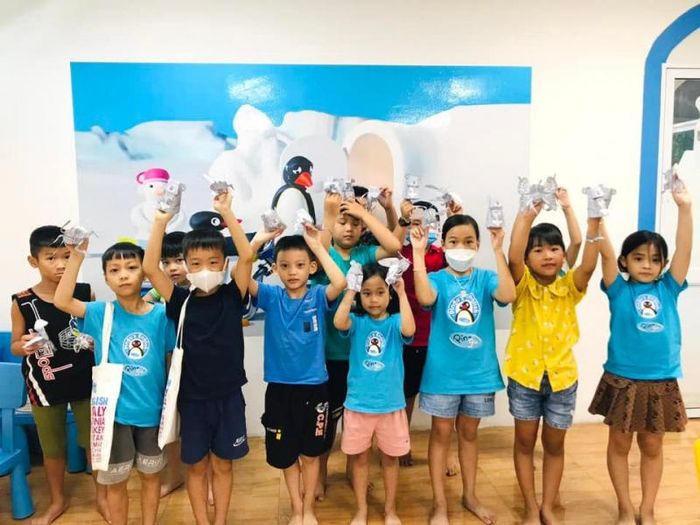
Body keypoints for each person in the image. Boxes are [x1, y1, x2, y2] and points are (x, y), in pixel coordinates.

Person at [143, 188, 254, 525]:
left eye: (213, 262)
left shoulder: (233, 295)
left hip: (228, 397)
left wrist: (227, 212)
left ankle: (219, 521)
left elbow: (247, 256)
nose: (204, 269)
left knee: (223, 464)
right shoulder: (179, 300)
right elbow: (150, 267)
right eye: (195, 263)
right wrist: (160, 221)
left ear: (224, 264)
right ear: (186, 266)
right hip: (191, 400)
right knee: (196, 466)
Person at [588, 185, 692, 525]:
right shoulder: (618, 289)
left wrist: (685, 208)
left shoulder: (669, 287)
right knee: (619, 445)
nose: (647, 265)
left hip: (661, 381)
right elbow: (605, 255)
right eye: (638, 258)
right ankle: (624, 506)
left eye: (655, 259)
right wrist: (598, 218)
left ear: (663, 264)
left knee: (652, 447)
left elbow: (684, 250)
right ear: (625, 261)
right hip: (622, 379)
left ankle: (647, 509)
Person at [55, 240, 174, 525]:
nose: (123, 275)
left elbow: (170, 361)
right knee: (116, 483)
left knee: (151, 477)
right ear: (106, 278)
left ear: (145, 273)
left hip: (152, 414)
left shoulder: (161, 316)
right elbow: (62, 301)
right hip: (114, 418)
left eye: (131, 267)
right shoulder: (100, 313)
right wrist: (76, 257)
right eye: (114, 270)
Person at [411, 214, 516, 525]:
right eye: (454, 241)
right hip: (442, 376)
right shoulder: (437, 279)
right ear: (443, 245)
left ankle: (470, 495)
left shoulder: (485, 278)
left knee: (469, 434)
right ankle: (439, 504)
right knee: (441, 434)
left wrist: (498, 249)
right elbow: (424, 297)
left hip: (479, 375)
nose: (461, 247)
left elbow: (508, 295)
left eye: (469, 241)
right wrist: (418, 253)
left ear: (477, 244)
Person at [505, 202, 602, 525]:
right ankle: (531, 507)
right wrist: (527, 215)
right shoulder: (522, 286)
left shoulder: (569, 286)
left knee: (554, 445)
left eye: (554, 249)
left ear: (562, 254)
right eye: (538, 250)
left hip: (562, 380)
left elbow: (589, 264)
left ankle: (548, 505)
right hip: (525, 378)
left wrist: (593, 224)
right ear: (528, 258)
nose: (547, 255)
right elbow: (513, 257)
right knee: (524, 443)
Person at [9, 225, 109, 525]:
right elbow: (14, 345)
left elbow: (97, 331)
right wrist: (24, 345)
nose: (60, 264)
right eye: (50, 257)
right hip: (44, 384)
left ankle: (103, 498)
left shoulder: (84, 292)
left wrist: (94, 341)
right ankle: (57, 501)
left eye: (66, 256)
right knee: (52, 448)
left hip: (85, 379)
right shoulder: (22, 301)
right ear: (34, 261)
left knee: (94, 443)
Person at [248, 225, 345, 525]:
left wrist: (317, 247)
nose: (292, 272)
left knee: (311, 454)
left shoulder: (318, 295)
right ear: (276, 268)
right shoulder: (271, 296)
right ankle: (297, 508)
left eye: (300, 265)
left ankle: (309, 509)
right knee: (286, 456)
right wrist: (257, 243)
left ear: (311, 267)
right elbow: (241, 280)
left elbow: (340, 282)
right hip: (280, 390)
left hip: (315, 389)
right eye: (285, 265)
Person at [316, 193, 402, 499]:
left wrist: (364, 214)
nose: (349, 228)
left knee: (356, 424)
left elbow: (394, 246)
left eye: (355, 224)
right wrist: (330, 214)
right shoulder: (325, 250)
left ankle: (354, 473)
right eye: (343, 222)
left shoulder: (366, 254)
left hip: (362, 358)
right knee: (327, 422)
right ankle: (320, 474)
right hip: (327, 354)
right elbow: (317, 245)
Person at [333, 263, 415, 525]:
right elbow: (338, 321)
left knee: (390, 460)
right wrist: (350, 290)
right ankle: (361, 510)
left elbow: (409, 330)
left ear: (388, 293)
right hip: (359, 405)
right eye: (367, 293)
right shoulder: (357, 322)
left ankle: (390, 510)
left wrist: (402, 293)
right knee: (359, 460)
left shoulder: (394, 322)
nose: (374, 299)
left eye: (380, 292)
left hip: (391, 406)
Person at [392, 198, 461, 468]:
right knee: (406, 396)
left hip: (440, 340)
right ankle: (402, 445)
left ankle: (446, 455)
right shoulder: (400, 254)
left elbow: (461, 253)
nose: (421, 228)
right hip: (409, 338)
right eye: (415, 223)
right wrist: (399, 216)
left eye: (427, 222)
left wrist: (455, 216)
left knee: (445, 399)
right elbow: (391, 243)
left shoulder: (441, 254)